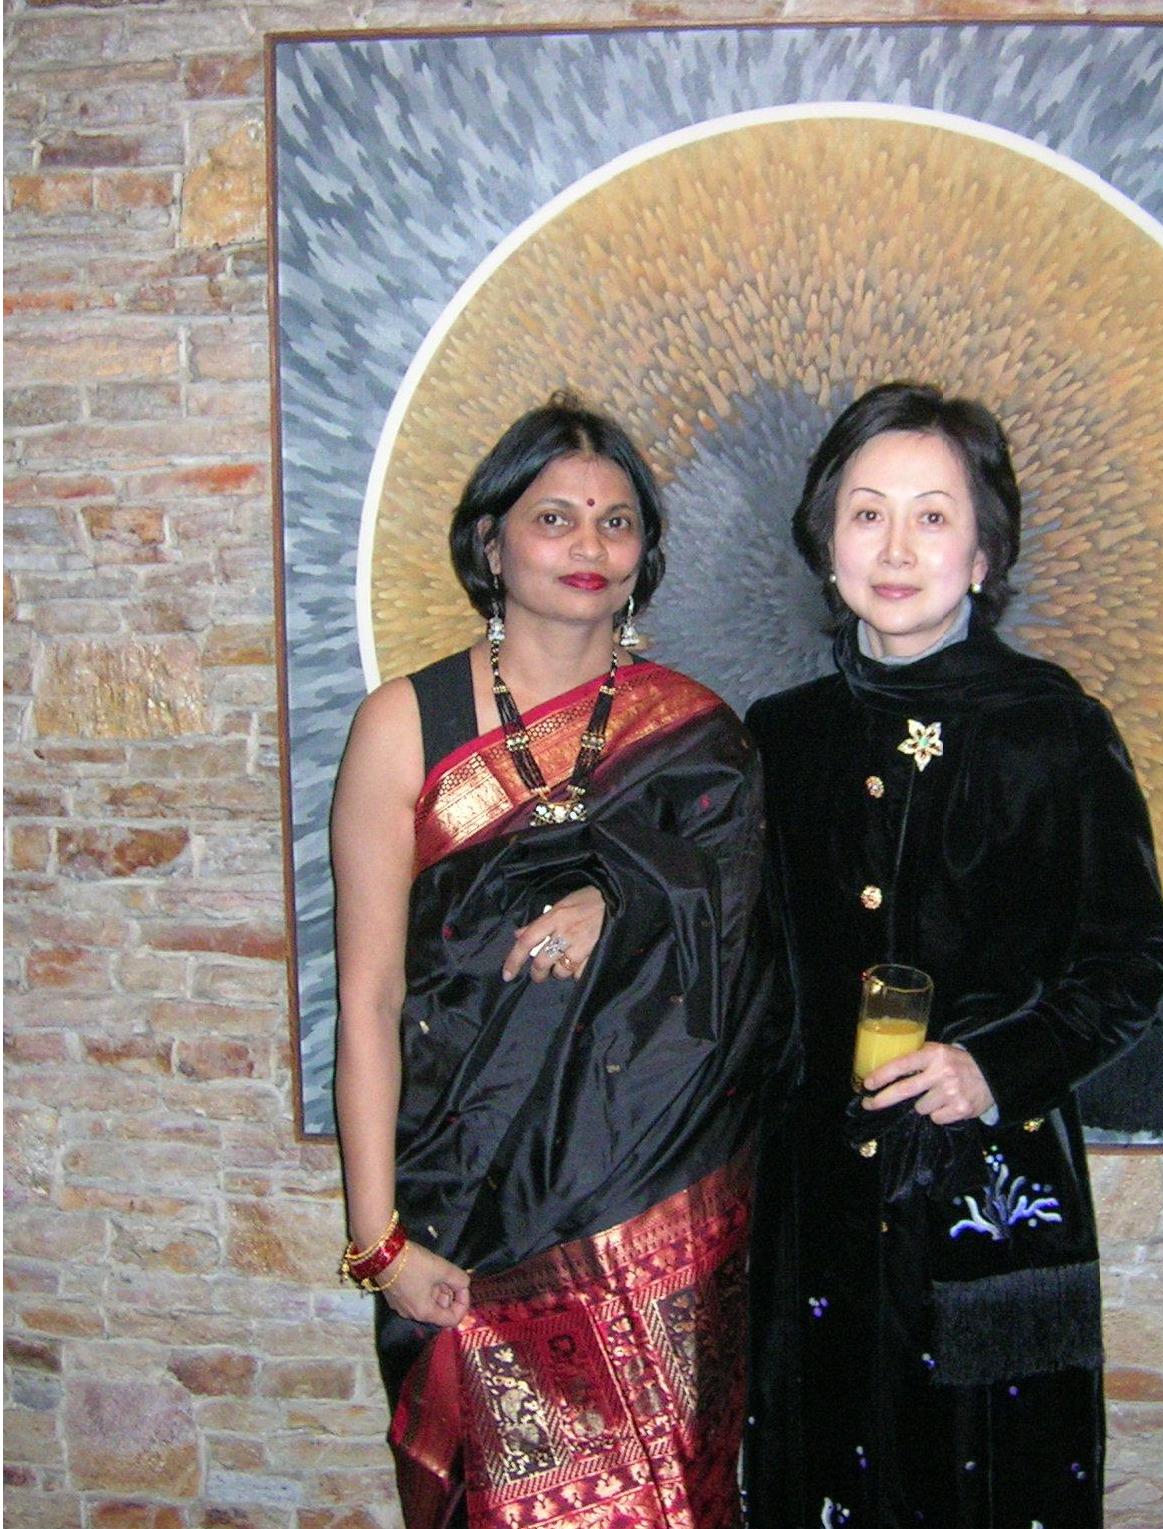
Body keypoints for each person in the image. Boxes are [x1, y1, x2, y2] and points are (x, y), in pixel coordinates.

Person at [743, 382, 1163, 1529]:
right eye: (867, 513)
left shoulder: (1055, 728)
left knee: (990, 1487)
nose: (896, 548)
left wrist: (993, 1065)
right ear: (827, 542)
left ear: (983, 554)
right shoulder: (779, 737)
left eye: (933, 516)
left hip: (992, 1188)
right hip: (814, 1201)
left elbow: (1133, 958)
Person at [330, 393, 770, 1529]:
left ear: (644, 554)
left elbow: (748, 951)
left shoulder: (699, 735)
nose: (590, 545)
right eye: (555, 517)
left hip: (660, 1195)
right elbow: (370, 997)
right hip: (469, 1203)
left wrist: (618, 891)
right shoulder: (405, 725)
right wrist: (380, 1239)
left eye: (617, 522)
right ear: (493, 541)